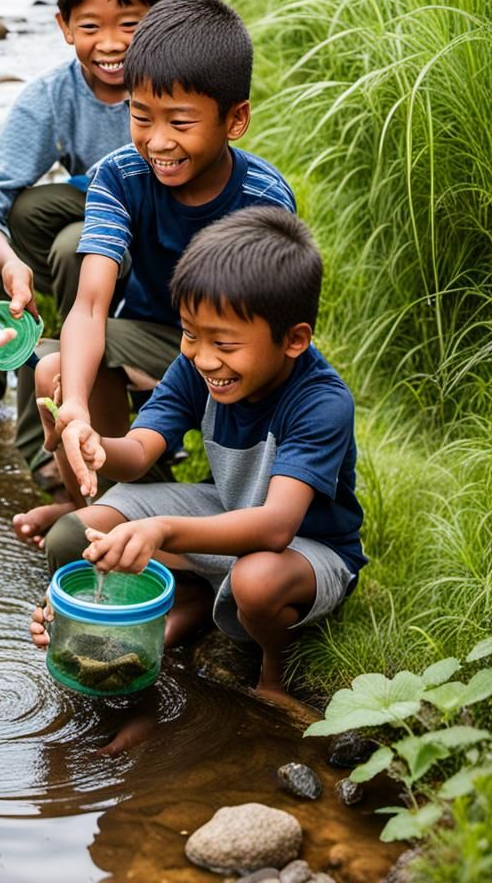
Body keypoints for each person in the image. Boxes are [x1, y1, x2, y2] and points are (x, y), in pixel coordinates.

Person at [30, 206, 366, 705]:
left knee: (254, 581)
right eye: (190, 333)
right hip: (227, 513)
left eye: (224, 343)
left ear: (294, 340)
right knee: (83, 533)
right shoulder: (195, 369)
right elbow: (140, 452)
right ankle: (191, 599)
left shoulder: (321, 402)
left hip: (305, 548)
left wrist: (163, 529)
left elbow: (275, 526)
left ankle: (275, 668)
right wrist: (94, 443)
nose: (204, 358)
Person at [14, 0, 297, 545]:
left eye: (181, 122)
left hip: (231, 350)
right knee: (54, 371)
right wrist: (72, 403)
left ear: (235, 119)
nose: (158, 141)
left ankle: (169, 511)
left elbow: (264, 329)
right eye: (141, 117)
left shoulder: (263, 198)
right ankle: (93, 505)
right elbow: (90, 304)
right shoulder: (120, 176)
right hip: (152, 337)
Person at [0, 0, 170, 488]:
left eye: (130, 25)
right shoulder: (52, 95)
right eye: (91, 26)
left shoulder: (173, 91)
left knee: (69, 247)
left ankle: (48, 438)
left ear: (159, 20)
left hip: (136, 259)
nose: (111, 44)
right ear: (63, 27)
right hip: (81, 230)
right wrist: (12, 266)